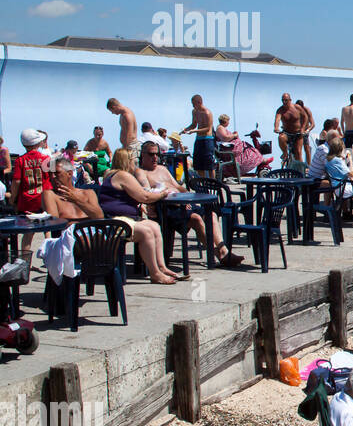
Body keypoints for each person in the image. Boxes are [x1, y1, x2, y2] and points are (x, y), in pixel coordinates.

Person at [135, 140, 244, 267]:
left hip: (183, 203)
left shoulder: (162, 169)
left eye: (157, 154)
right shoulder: (141, 172)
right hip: (166, 209)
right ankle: (219, 254)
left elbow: (178, 187)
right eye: (151, 154)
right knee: (196, 219)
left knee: (211, 215)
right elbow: (147, 193)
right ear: (142, 155)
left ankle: (224, 250)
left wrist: (187, 197)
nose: (155, 157)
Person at [96, 148, 188, 284]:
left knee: (154, 226)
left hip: (123, 218)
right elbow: (144, 196)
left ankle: (162, 267)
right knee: (146, 232)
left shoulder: (110, 174)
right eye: (133, 161)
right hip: (116, 221)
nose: (135, 164)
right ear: (127, 161)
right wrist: (162, 194)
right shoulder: (122, 175)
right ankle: (155, 273)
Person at [180, 94, 217, 178]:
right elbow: (193, 124)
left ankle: (213, 183)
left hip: (207, 140)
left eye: (194, 104)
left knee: (209, 165)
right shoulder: (194, 111)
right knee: (198, 164)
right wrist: (186, 129)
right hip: (198, 140)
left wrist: (194, 131)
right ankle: (203, 183)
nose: (193, 106)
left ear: (199, 102)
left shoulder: (207, 113)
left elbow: (208, 128)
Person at [274, 93, 307, 164]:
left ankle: (301, 172)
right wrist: (276, 128)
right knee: (281, 137)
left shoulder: (297, 107)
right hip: (287, 133)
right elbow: (277, 119)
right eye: (282, 100)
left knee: (298, 152)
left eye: (286, 100)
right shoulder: (280, 110)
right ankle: (285, 153)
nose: (284, 102)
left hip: (298, 133)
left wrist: (303, 128)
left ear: (290, 100)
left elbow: (305, 117)